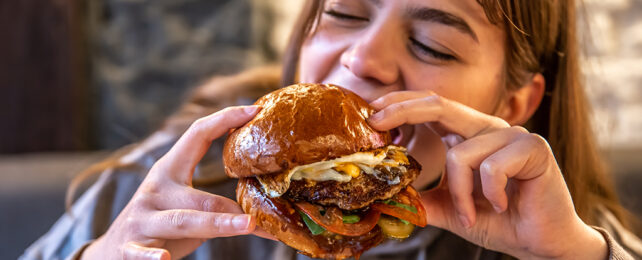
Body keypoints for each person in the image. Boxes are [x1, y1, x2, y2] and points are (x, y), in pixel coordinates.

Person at [21, 0, 642, 259]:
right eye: (344, 12)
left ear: (515, 101)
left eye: (432, 44)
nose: (363, 60)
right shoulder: (158, 188)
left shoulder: (566, 234)